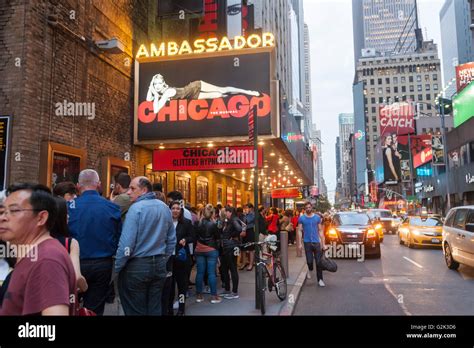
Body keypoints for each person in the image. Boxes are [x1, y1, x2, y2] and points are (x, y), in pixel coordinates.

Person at [0, 183, 76, 315]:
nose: (3, 218)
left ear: (41, 218)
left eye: (14, 211)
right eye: (2, 211)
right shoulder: (35, 254)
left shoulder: (47, 260)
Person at [115, 177, 176, 316]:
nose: (129, 192)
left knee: (136, 309)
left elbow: (127, 244)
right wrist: (163, 258)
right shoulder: (164, 208)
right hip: (159, 264)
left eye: (132, 188)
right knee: (154, 307)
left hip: (137, 266)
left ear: (144, 190)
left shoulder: (136, 208)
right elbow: (171, 239)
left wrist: (117, 267)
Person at [67, 169, 122, 315]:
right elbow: (118, 237)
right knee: (95, 308)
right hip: (103, 264)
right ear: (99, 184)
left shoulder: (69, 207)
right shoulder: (112, 207)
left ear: (78, 186)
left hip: (75, 263)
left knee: (70, 306)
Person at [146, 74, 260, 114]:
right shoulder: (160, 92)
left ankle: (248, 92)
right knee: (219, 95)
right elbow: (148, 101)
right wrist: (151, 86)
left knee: (222, 90)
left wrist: (155, 94)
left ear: (162, 83)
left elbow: (156, 110)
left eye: (158, 84)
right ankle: (241, 95)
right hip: (192, 96)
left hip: (195, 86)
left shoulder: (167, 92)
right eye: (155, 84)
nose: (156, 86)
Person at [51, 197, 88, 293]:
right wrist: (84, 287)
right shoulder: (70, 243)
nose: (68, 216)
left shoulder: (34, 241)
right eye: (65, 213)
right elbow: (77, 277)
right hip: (61, 295)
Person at [166, 201, 194, 315]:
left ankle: (181, 308)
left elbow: (193, 237)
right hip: (169, 259)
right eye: (173, 208)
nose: (175, 210)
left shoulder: (186, 223)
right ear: (170, 210)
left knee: (182, 286)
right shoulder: (166, 223)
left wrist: (185, 240)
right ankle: (169, 309)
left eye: (178, 208)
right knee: (169, 286)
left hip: (181, 259)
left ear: (181, 210)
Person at [195, 204, 222, 304]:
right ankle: (214, 296)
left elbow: (195, 236)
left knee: (200, 273)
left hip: (199, 249)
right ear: (212, 213)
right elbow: (218, 238)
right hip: (211, 249)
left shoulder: (198, 223)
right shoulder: (213, 224)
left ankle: (199, 295)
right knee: (211, 273)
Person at [298, 202, 326, 287]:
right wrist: (299, 243)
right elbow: (299, 230)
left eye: (309, 207)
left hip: (316, 242)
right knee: (309, 261)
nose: (308, 209)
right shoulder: (302, 218)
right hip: (307, 242)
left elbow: (320, 231)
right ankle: (309, 269)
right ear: (304, 209)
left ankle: (320, 280)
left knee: (318, 262)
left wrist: (323, 243)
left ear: (312, 208)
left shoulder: (317, 218)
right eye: (306, 207)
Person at [220, 206, 242, 299]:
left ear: (229, 212)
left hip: (232, 247)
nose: (224, 213)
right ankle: (227, 290)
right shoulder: (228, 220)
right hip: (227, 247)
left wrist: (231, 236)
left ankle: (234, 292)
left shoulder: (234, 219)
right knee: (224, 268)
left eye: (225, 212)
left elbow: (239, 229)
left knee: (233, 268)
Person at [240, 203, 255, 271]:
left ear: (251, 208)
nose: (246, 209)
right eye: (245, 207)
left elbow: (247, 221)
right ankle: (244, 263)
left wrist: (246, 215)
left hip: (250, 231)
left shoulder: (253, 214)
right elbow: (242, 222)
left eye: (247, 207)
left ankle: (251, 264)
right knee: (243, 248)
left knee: (251, 248)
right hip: (244, 231)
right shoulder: (244, 214)